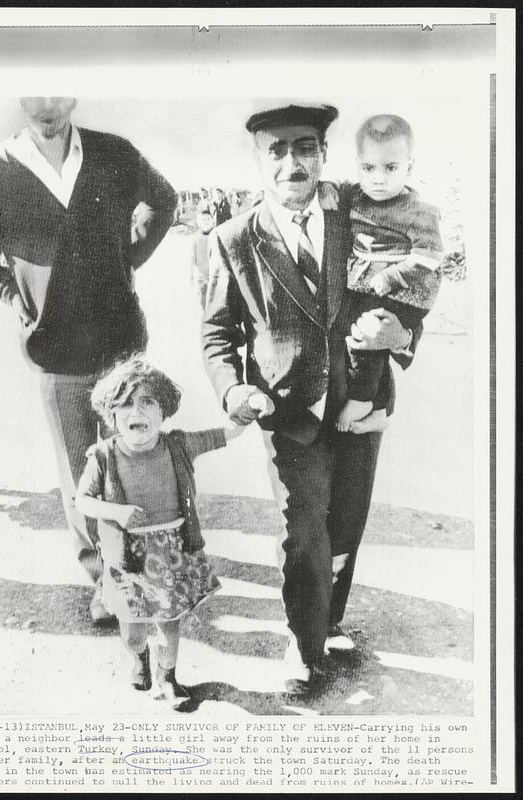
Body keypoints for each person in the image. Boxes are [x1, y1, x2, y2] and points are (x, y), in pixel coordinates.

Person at [202, 103, 419, 695]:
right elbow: (218, 333)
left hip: (362, 405)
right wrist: (234, 388)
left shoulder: (361, 218)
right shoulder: (233, 239)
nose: (292, 163)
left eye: (304, 148)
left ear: (323, 154)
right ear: (258, 160)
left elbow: (411, 290)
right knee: (304, 532)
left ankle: (331, 620)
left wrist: (401, 335)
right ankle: (305, 648)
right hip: (289, 414)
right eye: (277, 150)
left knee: (346, 525)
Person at [0, 97, 177, 622]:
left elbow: (165, 201)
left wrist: (127, 257)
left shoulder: (114, 153)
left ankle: (144, 568)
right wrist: (13, 295)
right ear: (18, 98)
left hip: (121, 346)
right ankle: (105, 579)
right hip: (56, 350)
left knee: (133, 460)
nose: (47, 107)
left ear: (75, 96)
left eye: (58, 93)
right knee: (81, 473)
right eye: (35, 95)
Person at [75, 356, 258, 708]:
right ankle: (139, 656)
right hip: (127, 559)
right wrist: (117, 513)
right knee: (132, 627)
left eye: (147, 402)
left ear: (163, 411)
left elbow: (223, 434)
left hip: (171, 552)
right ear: (112, 417)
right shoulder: (103, 456)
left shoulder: (177, 445)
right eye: (125, 404)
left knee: (170, 621)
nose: (136, 412)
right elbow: (82, 501)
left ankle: (168, 676)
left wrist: (248, 408)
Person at [335, 114, 443, 433]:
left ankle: (362, 397)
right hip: (370, 283)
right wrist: (329, 192)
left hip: (405, 288)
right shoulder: (357, 196)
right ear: (358, 166)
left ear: (409, 167)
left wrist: (392, 276)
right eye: (369, 168)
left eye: (390, 168)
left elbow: (430, 255)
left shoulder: (418, 210)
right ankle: (379, 410)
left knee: (366, 333)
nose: (378, 179)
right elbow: (338, 189)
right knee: (365, 333)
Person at [190, 200, 216, 308]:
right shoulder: (195, 238)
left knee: (215, 303)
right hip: (201, 277)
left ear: (212, 221)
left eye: (208, 219)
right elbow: (191, 259)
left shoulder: (215, 236)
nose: (206, 222)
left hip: (215, 276)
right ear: (199, 222)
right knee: (202, 303)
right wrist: (191, 276)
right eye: (203, 220)